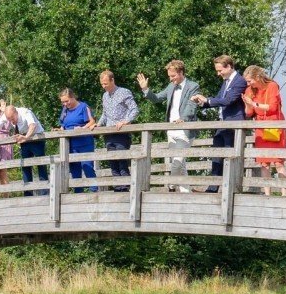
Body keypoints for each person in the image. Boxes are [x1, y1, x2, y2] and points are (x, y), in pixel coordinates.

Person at [137, 60, 199, 190]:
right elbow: (157, 98)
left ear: (181, 72)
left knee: (177, 162)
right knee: (180, 164)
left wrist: (183, 118)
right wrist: (145, 89)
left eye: (173, 76)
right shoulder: (171, 86)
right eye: (169, 76)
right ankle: (186, 194)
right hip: (171, 130)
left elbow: (192, 105)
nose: (171, 79)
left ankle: (171, 184)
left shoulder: (193, 86)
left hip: (185, 130)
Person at [191, 55, 248, 192]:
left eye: (220, 70)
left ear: (228, 66)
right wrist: (202, 102)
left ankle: (231, 189)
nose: (218, 74)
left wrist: (208, 100)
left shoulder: (240, 81)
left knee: (230, 157)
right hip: (223, 124)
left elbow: (228, 100)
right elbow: (218, 99)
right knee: (216, 155)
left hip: (233, 125)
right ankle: (212, 188)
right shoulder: (226, 81)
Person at [241, 65, 286, 187]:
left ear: (257, 77)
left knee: (278, 162)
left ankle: (284, 194)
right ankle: (267, 193)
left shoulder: (272, 86)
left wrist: (254, 103)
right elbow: (249, 113)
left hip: (275, 125)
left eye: (250, 80)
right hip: (260, 127)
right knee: (264, 163)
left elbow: (272, 107)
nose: (248, 83)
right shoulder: (249, 90)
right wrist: (248, 104)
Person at [97, 69, 139, 191]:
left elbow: (134, 109)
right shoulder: (105, 96)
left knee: (122, 160)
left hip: (121, 133)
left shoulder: (124, 92)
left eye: (106, 83)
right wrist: (98, 125)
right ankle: (117, 187)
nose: (104, 86)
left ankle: (126, 187)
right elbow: (105, 114)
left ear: (112, 80)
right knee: (113, 162)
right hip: (108, 133)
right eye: (102, 84)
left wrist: (126, 121)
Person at [57, 88, 96, 192]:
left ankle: (94, 192)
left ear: (73, 97)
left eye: (67, 101)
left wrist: (82, 129)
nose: (65, 104)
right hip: (70, 145)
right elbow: (63, 125)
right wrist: (59, 130)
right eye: (63, 102)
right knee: (75, 170)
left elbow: (92, 122)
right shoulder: (64, 110)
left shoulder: (83, 107)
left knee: (87, 166)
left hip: (84, 143)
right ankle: (78, 194)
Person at [5, 101, 48, 195]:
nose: (12, 121)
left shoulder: (25, 112)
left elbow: (32, 125)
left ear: (16, 112)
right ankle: (28, 194)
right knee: (25, 166)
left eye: (12, 118)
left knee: (41, 164)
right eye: (9, 119)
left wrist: (26, 137)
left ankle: (45, 194)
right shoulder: (9, 116)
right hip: (24, 141)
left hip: (37, 138)